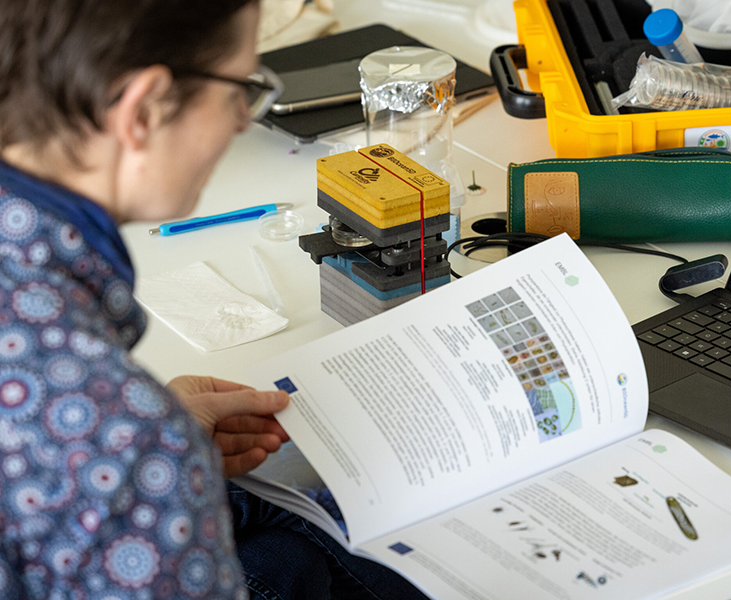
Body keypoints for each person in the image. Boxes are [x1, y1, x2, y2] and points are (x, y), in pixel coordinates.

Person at [0, 2, 425, 598]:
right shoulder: (120, 427)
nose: (240, 123)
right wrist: (148, 452)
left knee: (284, 561)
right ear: (143, 109)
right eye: (238, 90)